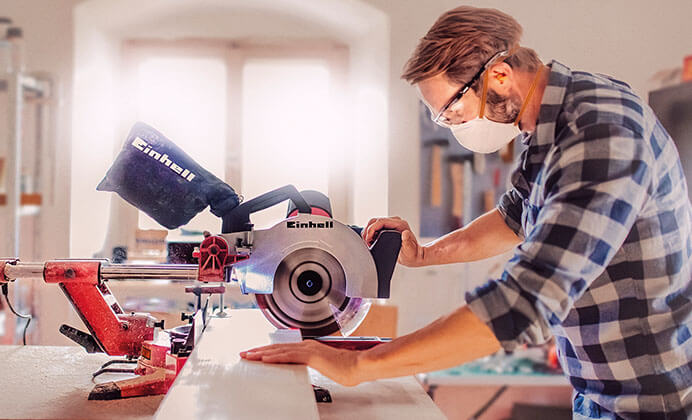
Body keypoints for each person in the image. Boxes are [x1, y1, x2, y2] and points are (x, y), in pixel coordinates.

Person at [241, 6, 692, 419]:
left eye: (450, 111)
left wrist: (360, 364)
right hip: (599, 390)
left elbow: (523, 304)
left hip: (650, 400)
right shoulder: (549, 122)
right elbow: (514, 218)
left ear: (498, 76)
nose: (452, 126)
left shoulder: (599, 135)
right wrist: (426, 254)